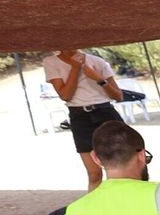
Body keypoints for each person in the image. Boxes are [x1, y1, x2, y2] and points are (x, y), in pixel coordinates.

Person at [45, 49, 124, 191]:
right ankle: (95, 209)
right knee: (94, 174)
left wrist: (100, 79)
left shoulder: (97, 61)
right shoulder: (51, 62)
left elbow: (118, 96)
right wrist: (76, 68)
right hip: (80, 116)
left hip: (105, 112)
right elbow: (65, 95)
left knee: (120, 171)